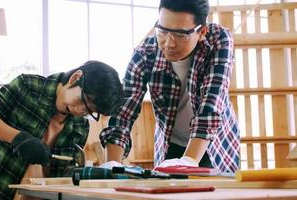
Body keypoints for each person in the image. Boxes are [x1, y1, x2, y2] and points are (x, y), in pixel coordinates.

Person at [100, 0, 240, 173]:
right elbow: (123, 114)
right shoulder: (144, 54)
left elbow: (211, 104)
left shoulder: (219, 40)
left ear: (202, 31)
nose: (169, 43)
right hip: (169, 143)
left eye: (181, 35)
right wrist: (112, 165)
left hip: (215, 144)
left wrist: (189, 160)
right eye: (163, 31)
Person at [0, 60, 124, 200]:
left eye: (89, 111)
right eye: (82, 100)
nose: (79, 110)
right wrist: (18, 138)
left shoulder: (80, 127)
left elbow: (60, 178)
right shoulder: (27, 86)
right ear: (75, 77)